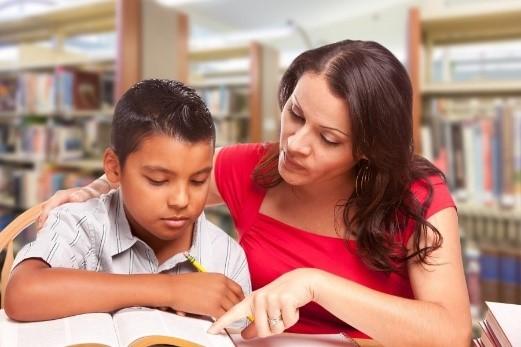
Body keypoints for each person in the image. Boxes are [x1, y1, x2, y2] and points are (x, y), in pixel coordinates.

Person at [37, 40, 471, 346]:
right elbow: (159, 173)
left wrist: (315, 285)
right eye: (295, 115)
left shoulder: (416, 193)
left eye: (330, 139)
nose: (296, 144)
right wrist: (92, 190)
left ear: (368, 151)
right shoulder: (256, 167)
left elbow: (451, 332)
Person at [5, 79, 250, 322]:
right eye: (157, 180)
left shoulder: (226, 256)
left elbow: (241, 336)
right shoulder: (81, 224)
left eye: (198, 181)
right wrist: (169, 290)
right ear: (114, 169)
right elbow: (22, 294)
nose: (180, 200)